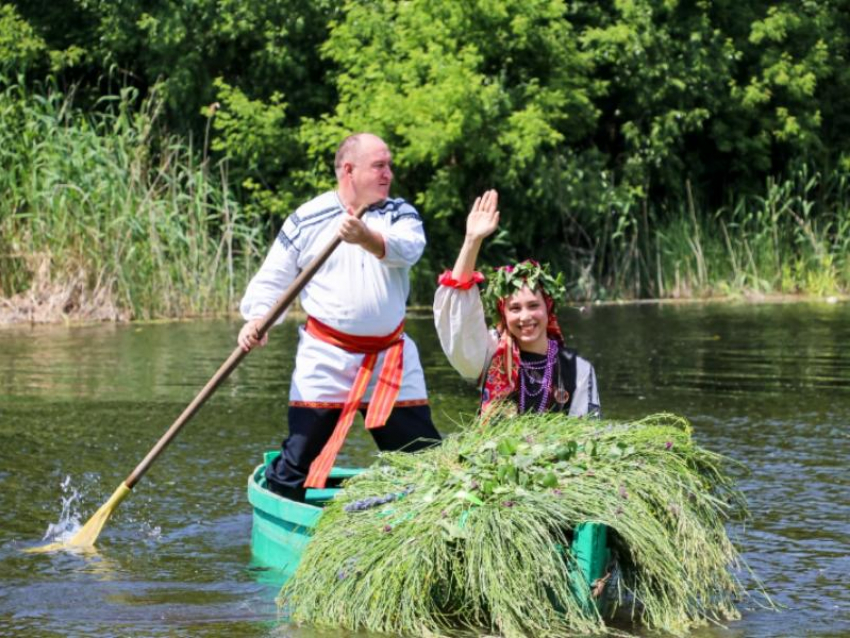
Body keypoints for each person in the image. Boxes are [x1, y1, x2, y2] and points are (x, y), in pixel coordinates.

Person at [238, 133, 440, 500]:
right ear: (349, 170)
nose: (388, 174)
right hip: (326, 357)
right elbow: (273, 280)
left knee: (426, 461)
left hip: (390, 359)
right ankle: (283, 511)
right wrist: (256, 319)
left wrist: (365, 236)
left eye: (389, 165)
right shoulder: (307, 218)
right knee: (298, 461)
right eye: (380, 165)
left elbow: (409, 249)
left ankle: (432, 524)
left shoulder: (399, 213)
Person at [433, 189, 601, 417]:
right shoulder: (491, 354)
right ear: (503, 314)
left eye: (533, 306)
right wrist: (472, 241)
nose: (525, 317)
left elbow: (587, 435)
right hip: (495, 452)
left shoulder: (577, 369)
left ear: (548, 308)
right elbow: (460, 322)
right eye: (515, 308)